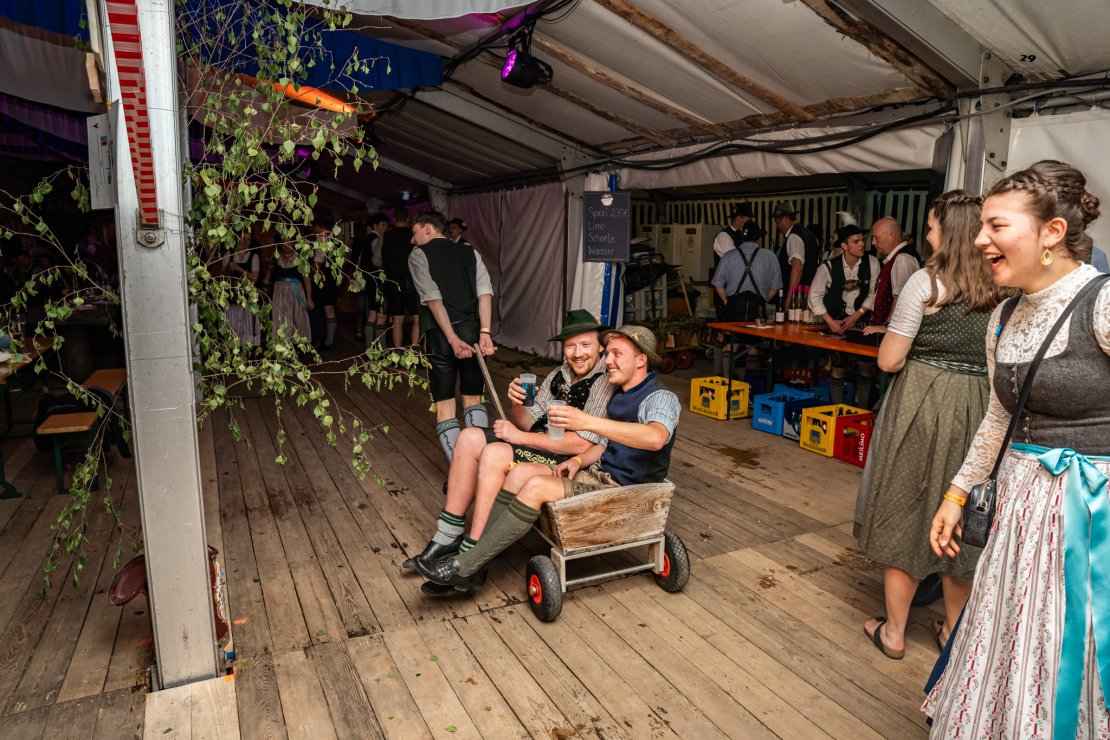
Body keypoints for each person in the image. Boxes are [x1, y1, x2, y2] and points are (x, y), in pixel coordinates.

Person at [924, 160, 1110, 737]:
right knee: (1016, 630)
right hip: (1020, 506)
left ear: (1052, 232)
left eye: (997, 226)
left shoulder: (1103, 302)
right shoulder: (1003, 316)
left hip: (1090, 513)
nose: (980, 239)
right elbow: (998, 417)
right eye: (982, 225)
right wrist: (957, 492)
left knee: (1071, 639)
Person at [856, 190, 1011, 661]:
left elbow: (889, 360)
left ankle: (894, 632)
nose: (926, 235)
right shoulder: (1002, 285)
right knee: (960, 515)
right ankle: (951, 633)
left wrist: (906, 349)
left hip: (921, 402)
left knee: (905, 506)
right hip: (978, 406)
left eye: (931, 227)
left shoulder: (926, 282)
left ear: (948, 231)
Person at [415, 324, 681, 592]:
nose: (608, 360)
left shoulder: (660, 397)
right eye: (608, 353)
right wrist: (578, 461)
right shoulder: (620, 392)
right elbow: (606, 443)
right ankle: (476, 559)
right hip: (597, 475)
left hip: (625, 491)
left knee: (535, 485)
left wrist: (586, 422)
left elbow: (655, 437)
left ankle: (466, 566)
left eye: (616, 354)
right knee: (519, 473)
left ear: (641, 360)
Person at [402, 310, 616, 594]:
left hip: (567, 459)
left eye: (585, 345)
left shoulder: (603, 380)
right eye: (570, 346)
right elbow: (524, 421)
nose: (577, 353)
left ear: (600, 346)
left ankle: (470, 557)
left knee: (495, 453)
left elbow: (583, 444)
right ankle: (447, 535)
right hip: (538, 443)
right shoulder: (559, 374)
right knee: (468, 437)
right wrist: (517, 402)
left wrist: (520, 437)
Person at [408, 210, 496, 463]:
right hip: (473, 333)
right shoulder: (470, 252)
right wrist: (485, 332)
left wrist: (451, 338)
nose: (412, 240)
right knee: (473, 399)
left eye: (414, 233)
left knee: (445, 405)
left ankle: (462, 472)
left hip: (440, 337)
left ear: (428, 229)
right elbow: (485, 293)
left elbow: (434, 301)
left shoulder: (418, 254)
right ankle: (481, 468)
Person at [809, 224, 881, 403]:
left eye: (862, 240)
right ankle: (837, 410)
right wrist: (830, 322)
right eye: (856, 241)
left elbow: (874, 293)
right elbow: (814, 297)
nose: (862, 244)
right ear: (844, 246)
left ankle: (862, 411)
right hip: (837, 323)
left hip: (862, 320)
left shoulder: (872, 262)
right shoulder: (828, 267)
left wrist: (857, 315)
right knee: (838, 367)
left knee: (866, 367)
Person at [711, 220, 781, 323]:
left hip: (733, 310)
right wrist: (765, 299)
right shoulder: (771, 256)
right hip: (758, 311)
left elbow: (717, 283)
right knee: (756, 333)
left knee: (733, 333)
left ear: (742, 237)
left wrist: (726, 301)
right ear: (758, 238)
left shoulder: (728, 256)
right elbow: (776, 286)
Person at [865, 217, 920, 329]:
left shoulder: (903, 258)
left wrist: (887, 326)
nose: (873, 242)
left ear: (891, 237)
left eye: (876, 238)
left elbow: (902, 298)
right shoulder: (896, 258)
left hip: (892, 331)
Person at [380, 207, 421, 348]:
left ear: (394, 219)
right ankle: (414, 350)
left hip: (392, 281)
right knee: (417, 318)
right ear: (408, 219)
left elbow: (380, 259)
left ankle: (397, 351)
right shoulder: (413, 235)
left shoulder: (386, 236)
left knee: (397, 321)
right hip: (411, 280)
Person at [264, 241, 313, 344]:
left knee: (296, 317)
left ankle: (297, 346)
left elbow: (307, 279)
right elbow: (269, 271)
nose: (286, 245)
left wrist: (309, 299)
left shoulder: (301, 257)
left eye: (289, 241)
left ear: (294, 242)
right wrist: (267, 279)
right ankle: (282, 344)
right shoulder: (276, 255)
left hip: (295, 292)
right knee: (280, 317)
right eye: (284, 241)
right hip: (279, 293)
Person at [771, 201, 821, 302]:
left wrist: (789, 299)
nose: (777, 227)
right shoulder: (809, 234)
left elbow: (797, 269)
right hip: (808, 293)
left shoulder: (794, 237)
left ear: (785, 220)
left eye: (777, 222)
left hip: (797, 298)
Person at [221, 229, 261, 347]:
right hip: (232, 296)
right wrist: (228, 268)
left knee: (246, 326)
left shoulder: (253, 256)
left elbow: (254, 278)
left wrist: (238, 268)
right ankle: (233, 352)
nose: (244, 242)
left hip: (247, 296)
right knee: (232, 324)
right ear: (237, 238)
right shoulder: (229, 254)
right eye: (242, 238)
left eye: (248, 240)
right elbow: (222, 276)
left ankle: (244, 354)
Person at [310, 222, 340, 350]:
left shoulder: (321, 238)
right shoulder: (335, 238)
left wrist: (313, 277)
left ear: (317, 226)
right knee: (330, 310)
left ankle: (323, 339)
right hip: (333, 278)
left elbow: (318, 261)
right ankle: (330, 341)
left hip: (323, 279)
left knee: (321, 310)